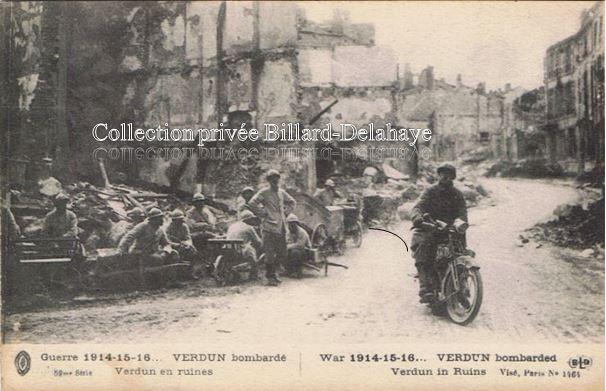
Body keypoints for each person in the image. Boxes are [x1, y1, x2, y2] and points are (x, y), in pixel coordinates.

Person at [410, 164, 468, 303]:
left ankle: (462, 284)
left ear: (453, 177)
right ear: (438, 176)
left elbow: (463, 214)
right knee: (423, 249)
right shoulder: (430, 191)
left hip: (450, 230)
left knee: (461, 253)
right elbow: (418, 206)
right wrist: (417, 218)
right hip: (431, 228)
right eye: (442, 174)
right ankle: (425, 289)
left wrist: (460, 223)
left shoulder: (457, 194)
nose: (445, 177)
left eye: (448, 174)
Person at [248, 169, 296, 286]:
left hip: (281, 227)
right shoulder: (264, 192)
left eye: (277, 179)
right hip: (268, 228)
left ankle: (274, 273)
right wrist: (262, 213)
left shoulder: (281, 192)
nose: (275, 181)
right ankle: (270, 277)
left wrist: (286, 212)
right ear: (269, 181)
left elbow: (292, 202)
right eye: (272, 179)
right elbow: (252, 203)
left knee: (282, 253)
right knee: (269, 254)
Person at [226, 210, 262, 280]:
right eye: (252, 219)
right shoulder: (249, 227)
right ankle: (253, 274)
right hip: (240, 250)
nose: (253, 221)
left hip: (229, 249)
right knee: (252, 250)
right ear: (248, 220)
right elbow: (258, 241)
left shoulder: (232, 226)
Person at [285, 213, 312, 278]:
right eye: (289, 224)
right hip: (293, 249)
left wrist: (289, 246)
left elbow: (300, 245)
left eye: (292, 224)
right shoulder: (289, 232)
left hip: (306, 251)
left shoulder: (301, 232)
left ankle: (298, 271)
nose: (290, 226)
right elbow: (288, 241)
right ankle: (289, 270)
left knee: (295, 252)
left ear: (296, 224)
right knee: (285, 252)